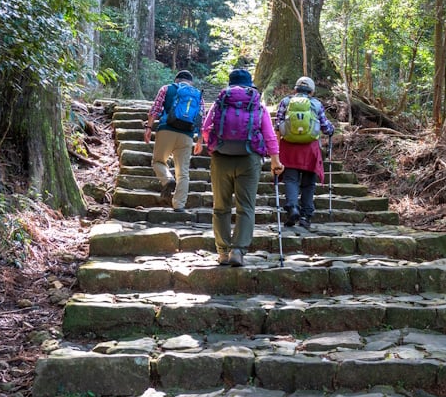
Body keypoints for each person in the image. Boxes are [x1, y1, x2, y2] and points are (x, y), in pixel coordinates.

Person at [200, 68, 283, 267]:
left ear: (230, 84)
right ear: (249, 85)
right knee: (246, 207)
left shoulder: (220, 102)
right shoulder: (257, 104)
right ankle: (237, 250)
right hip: (249, 159)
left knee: (221, 207)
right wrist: (275, 160)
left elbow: (205, 128)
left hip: (221, 158)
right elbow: (270, 135)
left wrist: (214, 146)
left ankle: (222, 252)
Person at [274, 76, 335, 229]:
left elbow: (278, 124)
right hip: (310, 149)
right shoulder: (316, 104)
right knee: (308, 184)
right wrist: (331, 130)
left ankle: (293, 208)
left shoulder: (285, 102)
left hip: (289, 148)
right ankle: (305, 216)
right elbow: (325, 127)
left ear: (295, 89)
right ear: (312, 91)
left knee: (291, 180)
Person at [144, 69, 203, 211]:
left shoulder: (167, 89)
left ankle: (167, 179)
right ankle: (179, 205)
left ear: (176, 80)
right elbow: (201, 118)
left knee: (158, 161)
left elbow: (155, 109)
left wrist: (149, 127)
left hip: (166, 130)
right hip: (187, 135)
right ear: (191, 82)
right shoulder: (197, 95)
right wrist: (200, 141)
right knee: (183, 172)